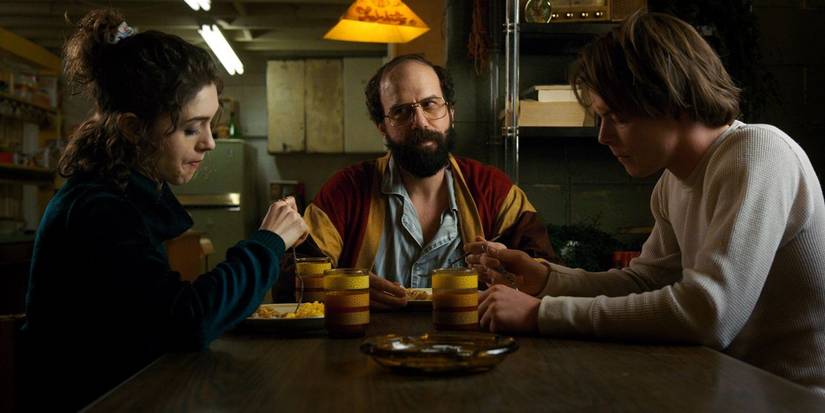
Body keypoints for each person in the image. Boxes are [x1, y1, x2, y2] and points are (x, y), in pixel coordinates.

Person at [467, 11, 825, 393]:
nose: (603, 136)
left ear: (673, 100)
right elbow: (644, 282)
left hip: (792, 399)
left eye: (617, 117)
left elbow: (710, 313)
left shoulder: (758, 154)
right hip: (729, 390)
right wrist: (547, 280)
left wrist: (542, 314)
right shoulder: (673, 182)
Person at [19, 9, 308, 411]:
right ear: (133, 128)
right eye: (191, 128)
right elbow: (186, 320)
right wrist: (268, 242)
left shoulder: (123, 192)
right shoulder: (98, 209)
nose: (209, 142)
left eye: (211, 124)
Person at [284, 54, 557, 309]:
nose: (421, 122)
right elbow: (291, 280)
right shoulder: (345, 191)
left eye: (430, 104)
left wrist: (509, 270)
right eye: (401, 111)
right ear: (382, 127)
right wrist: (348, 288)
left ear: (451, 113)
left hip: (470, 339)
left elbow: (549, 275)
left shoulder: (494, 190)